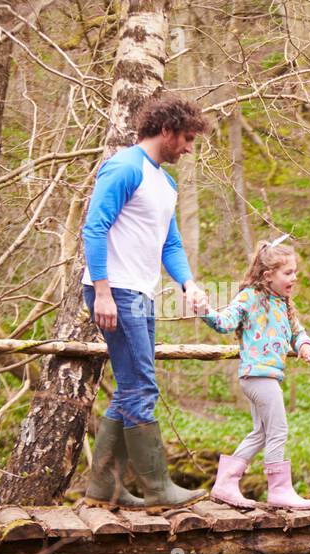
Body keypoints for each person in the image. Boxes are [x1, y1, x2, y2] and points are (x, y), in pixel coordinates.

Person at [80, 92, 211, 510]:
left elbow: (169, 243)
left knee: (130, 386)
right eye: (187, 138)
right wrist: (102, 292)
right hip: (114, 290)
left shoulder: (165, 182)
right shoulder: (123, 167)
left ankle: (105, 488)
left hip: (140, 291)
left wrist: (189, 284)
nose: (189, 149)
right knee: (142, 385)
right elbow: (94, 229)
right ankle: (158, 489)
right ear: (167, 130)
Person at [202, 238, 310, 509]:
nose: (295, 277)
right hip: (257, 376)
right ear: (268, 275)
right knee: (279, 430)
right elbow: (224, 323)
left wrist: (305, 345)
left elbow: (297, 332)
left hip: (267, 377)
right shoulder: (250, 298)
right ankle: (279, 490)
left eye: (295, 272)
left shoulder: (283, 303)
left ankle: (226, 483)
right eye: (288, 272)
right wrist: (205, 311)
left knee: (262, 432)